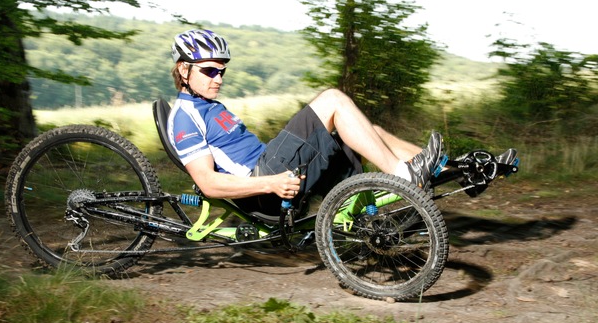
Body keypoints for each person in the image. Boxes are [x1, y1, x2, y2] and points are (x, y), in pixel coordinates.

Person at [166, 29, 507, 213]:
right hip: (264, 184)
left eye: (222, 71)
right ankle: (405, 174)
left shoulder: (210, 106)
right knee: (332, 100)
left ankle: (449, 168)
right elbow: (209, 184)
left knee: (366, 131)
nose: (219, 78)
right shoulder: (185, 117)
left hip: (270, 165)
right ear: (183, 70)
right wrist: (269, 184)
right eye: (209, 70)